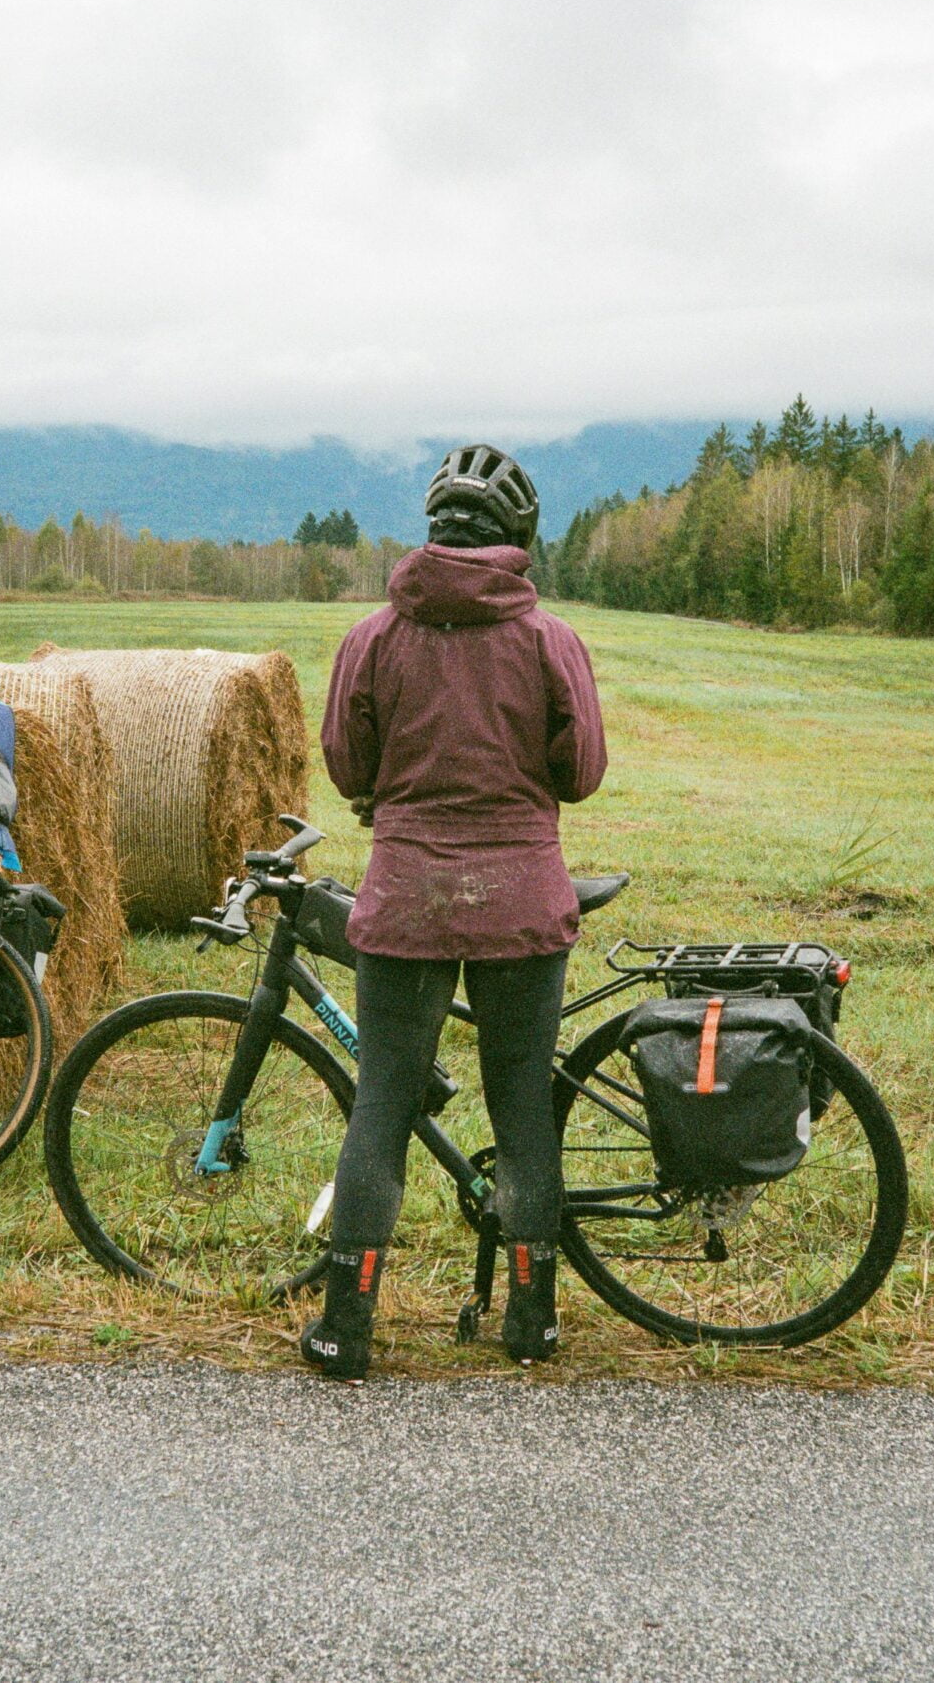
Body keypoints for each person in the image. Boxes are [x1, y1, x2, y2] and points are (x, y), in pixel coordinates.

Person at [302, 444, 608, 1381]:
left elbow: (348, 768)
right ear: (516, 538)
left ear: (432, 532)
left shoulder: (373, 637)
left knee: (381, 1106)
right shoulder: (550, 639)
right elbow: (583, 772)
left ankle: (345, 1327)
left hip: (406, 900)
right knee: (522, 1109)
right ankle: (532, 1319)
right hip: (521, 900)